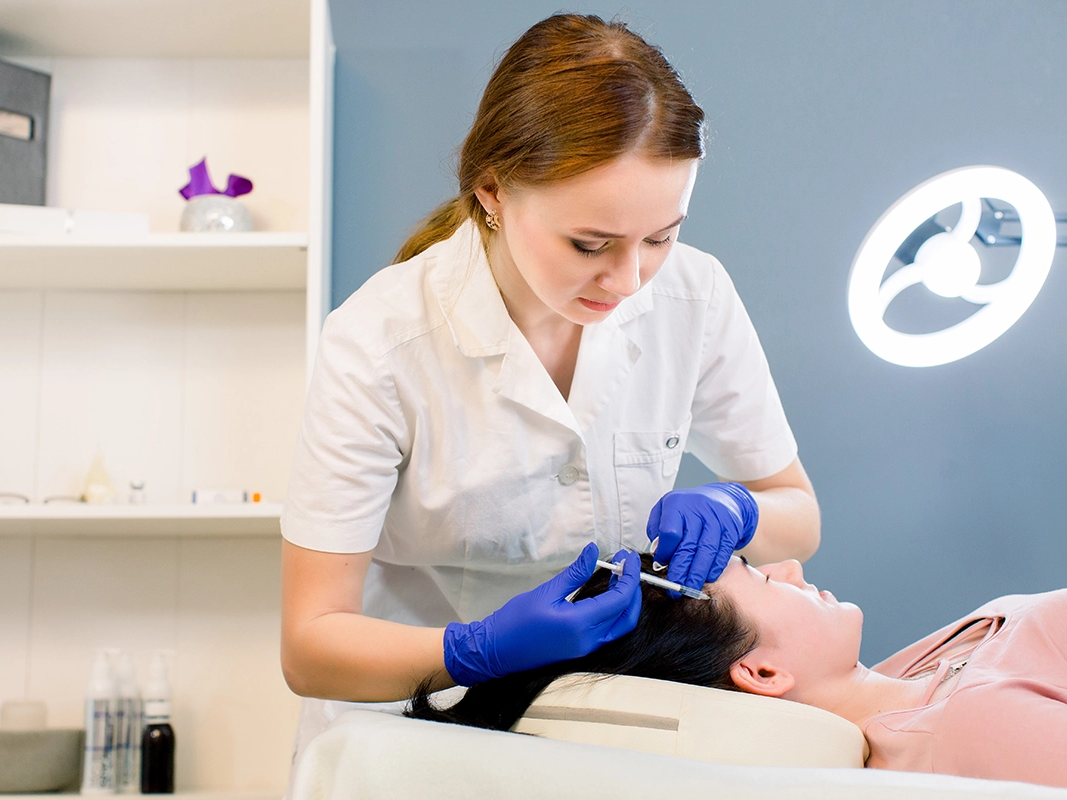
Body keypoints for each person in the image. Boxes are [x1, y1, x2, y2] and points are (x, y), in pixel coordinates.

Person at [279, 12, 820, 764]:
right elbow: (310, 647)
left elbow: (800, 516)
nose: (630, 280)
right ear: (493, 191)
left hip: (611, 738)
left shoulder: (697, 298)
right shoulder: (378, 342)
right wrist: (470, 650)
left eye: (662, 236)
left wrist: (738, 510)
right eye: (589, 244)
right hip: (412, 737)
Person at [408, 552, 1067, 789]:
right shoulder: (971, 725)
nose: (792, 568)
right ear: (760, 674)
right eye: (756, 574)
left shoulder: (913, 673)